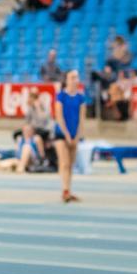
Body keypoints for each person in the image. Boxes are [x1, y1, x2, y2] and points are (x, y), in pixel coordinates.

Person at [54, 70, 87, 203]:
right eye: (72, 77)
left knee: (71, 164)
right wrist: (67, 134)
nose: (75, 80)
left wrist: (77, 136)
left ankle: (68, 189)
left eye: (76, 77)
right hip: (61, 134)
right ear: (66, 80)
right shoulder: (61, 96)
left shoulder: (81, 98)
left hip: (75, 134)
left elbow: (82, 118)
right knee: (64, 162)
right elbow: (59, 116)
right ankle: (65, 190)